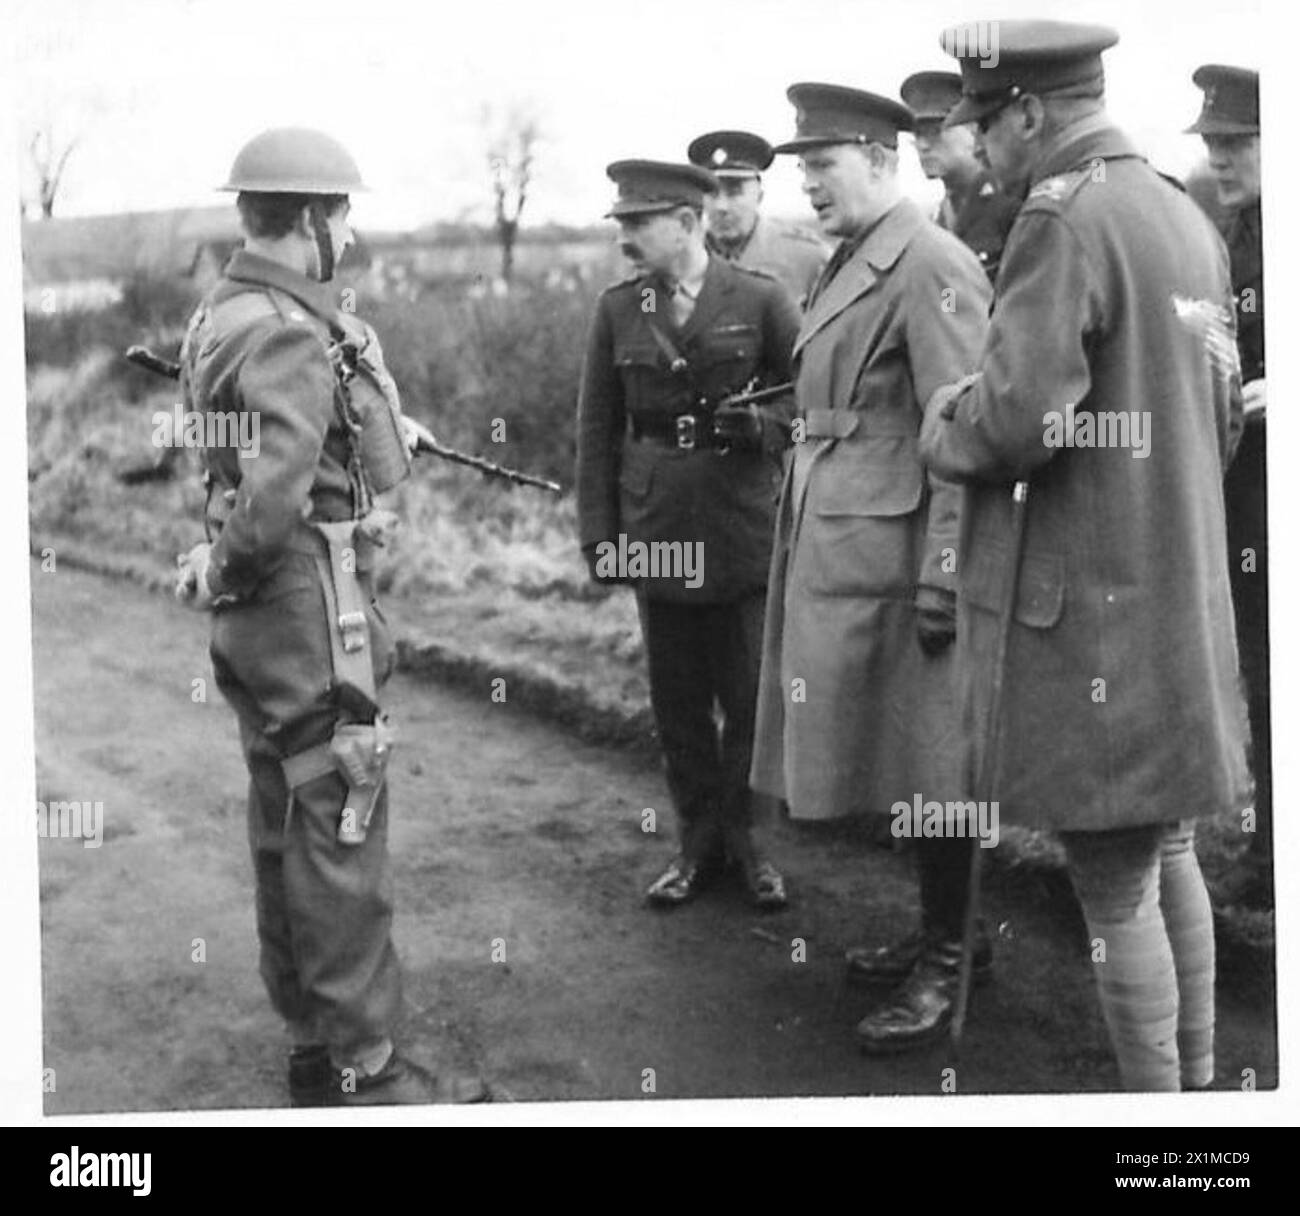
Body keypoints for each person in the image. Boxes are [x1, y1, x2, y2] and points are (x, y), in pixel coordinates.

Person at [920, 22, 1250, 1090]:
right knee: (1168, 855)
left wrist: (940, 416)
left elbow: (1018, 423)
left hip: (1095, 610)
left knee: (1112, 885)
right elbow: (1220, 409)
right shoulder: (1179, 210)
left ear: (1026, 112)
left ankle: (1161, 1130)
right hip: (1180, 593)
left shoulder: (1059, 222)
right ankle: (1202, 1098)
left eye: (982, 118)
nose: (977, 141)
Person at [174, 127, 486, 1106]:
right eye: (341, 215)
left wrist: (215, 562)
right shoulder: (288, 329)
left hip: (265, 618)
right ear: (309, 216)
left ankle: (311, 1028)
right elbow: (275, 496)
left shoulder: (227, 314)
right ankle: (360, 1052)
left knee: (288, 814)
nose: (347, 236)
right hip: (309, 606)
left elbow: (244, 459)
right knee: (343, 812)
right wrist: (229, 565)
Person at [747, 84, 991, 1050]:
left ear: (884, 161)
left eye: (824, 163)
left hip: (900, 555)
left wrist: (943, 570)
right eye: (801, 167)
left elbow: (963, 430)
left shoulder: (928, 260)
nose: (807, 182)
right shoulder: (854, 256)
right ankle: (945, 935)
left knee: (934, 760)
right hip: (848, 539)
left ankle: (952, 959)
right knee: (898, 756)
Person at [575, 160, 800, 909]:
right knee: (677, 702)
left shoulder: (762, 300)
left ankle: (751, 843)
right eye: (622, 224)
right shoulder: (617, 310)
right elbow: (597, 431)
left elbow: (811, 402)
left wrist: (763, 426)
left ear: (687, 222)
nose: (626, 239)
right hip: (657, 525)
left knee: (748, 698)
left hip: (739, 525)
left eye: (638, 224)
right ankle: (696, 845)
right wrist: (600, 537)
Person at [1185, 64, 1270, 908]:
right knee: (1265, 675)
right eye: (1212, 143)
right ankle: (1273, 855)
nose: (1221, 159)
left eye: (1238, 141)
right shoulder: (1234, 231)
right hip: (1250, 501)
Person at [899, 70, 1020, 281]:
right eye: (917, 134)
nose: (923, 146)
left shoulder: (1010, 203)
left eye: (935, 132)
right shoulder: (938, 215)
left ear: (973, 130)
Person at [687, 130, 827, 306]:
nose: (721, 206)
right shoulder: (677, 257)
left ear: (759, 196)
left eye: (734, 192)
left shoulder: (807, 257)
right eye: (712, 194)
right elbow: (647, 311)